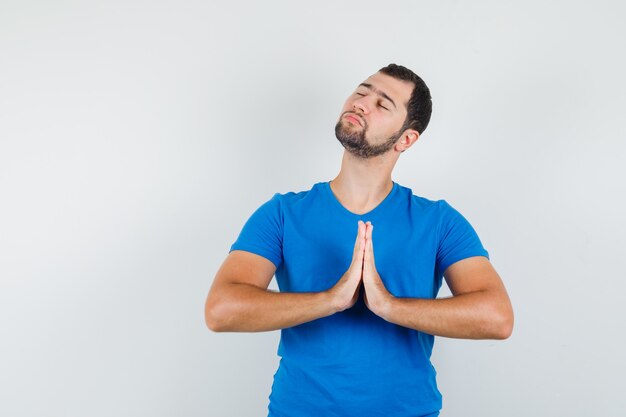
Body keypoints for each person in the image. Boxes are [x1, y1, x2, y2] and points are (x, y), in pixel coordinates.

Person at [205, 63, 514, 417]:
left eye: (383, 105)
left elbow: (497, 317)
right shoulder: (281, 214)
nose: (361, 103)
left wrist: (388, 306)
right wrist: (330, 299)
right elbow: (220, 310)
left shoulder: (439, 222)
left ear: (406, 139)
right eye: (361, 91)